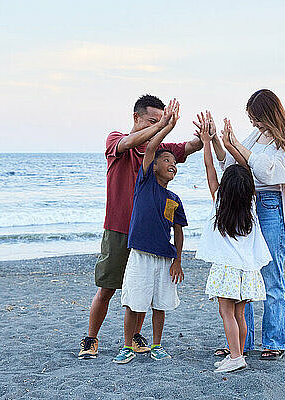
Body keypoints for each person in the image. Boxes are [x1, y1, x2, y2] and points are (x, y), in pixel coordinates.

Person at [78, 96, 203, 359]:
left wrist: (205, 135)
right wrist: (163, 126)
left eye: (160, 121)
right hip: (118, 229)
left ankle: (135, 337)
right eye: (152, 121)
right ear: (136, 118)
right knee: (107, 287)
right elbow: (129, 142)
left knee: (143, 290)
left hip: (148, 237)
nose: (156, 126)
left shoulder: (158, 151)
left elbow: (190, 146)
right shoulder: (116, 139)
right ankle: (90, 339)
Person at [213, 89, 285, 360]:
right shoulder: (256, 136)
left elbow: (270, 171)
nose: (254, 124)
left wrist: (238, 145)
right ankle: (243, 344)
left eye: (257, 118)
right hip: (249, 204)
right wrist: (218, 141)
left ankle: (274, 341)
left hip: (270, 205)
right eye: (251, 119)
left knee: (271, 276)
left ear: (269, 113)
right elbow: (232, 163)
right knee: (245, 273)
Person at [194, 117, 271, 372]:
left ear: (225, 188)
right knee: (238, 314)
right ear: (248, 188)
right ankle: (239, 355)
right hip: (246, 269)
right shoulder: (251, 206)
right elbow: (245, 171)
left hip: (227, 269)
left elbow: (209, 169)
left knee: (226, 313)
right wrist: (229, 143)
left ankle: (236, 356)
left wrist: (208, 142)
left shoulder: (219, 202)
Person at [113, 101, 187, 364]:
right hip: (140, 255)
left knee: (161, 304)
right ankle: (127, 346)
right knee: (134, 302)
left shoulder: (174, 198)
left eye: (175, 162)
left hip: (164, 259)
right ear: (153, 165)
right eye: (166, 160)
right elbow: (152, 148)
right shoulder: (144, 183)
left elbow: (179, 232)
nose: (172, 164)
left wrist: (178, 259)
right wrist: (165, 127)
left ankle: (157, 344)